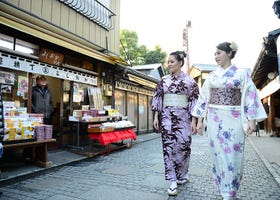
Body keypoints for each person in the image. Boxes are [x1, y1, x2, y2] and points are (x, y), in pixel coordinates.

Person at [192, 41, 267, 200]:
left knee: (233, 155)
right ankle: (224, 190)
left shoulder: (242, 74)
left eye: (219, 53)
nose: (216, 56)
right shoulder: (212, 76)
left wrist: (252, 119)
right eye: (215, 53)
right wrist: (199, 120)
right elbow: (203, 98)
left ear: (229, 54)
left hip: (234, 119)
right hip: (214, 118)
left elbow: (250, 96)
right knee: (218, 154)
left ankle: (230, 192)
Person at [151, 51, 199, 196]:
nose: (169, 64)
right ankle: (172, 181)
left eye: (172, 61)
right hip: (166, 119)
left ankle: (183, 174)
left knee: (183, 147)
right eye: (168, 61)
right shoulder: (163, 81)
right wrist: (155, 117)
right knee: (169, 148)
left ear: (180, 63)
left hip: (184, 119)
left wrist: (194, 121)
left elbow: (195, 102)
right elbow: (157, 98)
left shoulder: (190, 82)